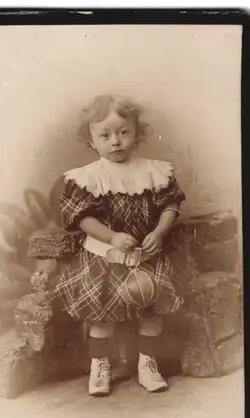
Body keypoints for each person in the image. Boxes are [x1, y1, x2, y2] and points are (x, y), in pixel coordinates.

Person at [26, 94, 186, 397]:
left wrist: (160, 232)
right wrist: (111, 237)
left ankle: (147, 363)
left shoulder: (154, 171)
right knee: (101, 318)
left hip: (144, 255)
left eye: (123, 132)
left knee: (152, 312)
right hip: (104, 257)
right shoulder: (87, 178)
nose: (116, 141)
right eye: (105, 135)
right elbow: (81, 218)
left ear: (136, 133)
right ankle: (100, 366)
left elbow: (170, 205)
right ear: (91, 140)